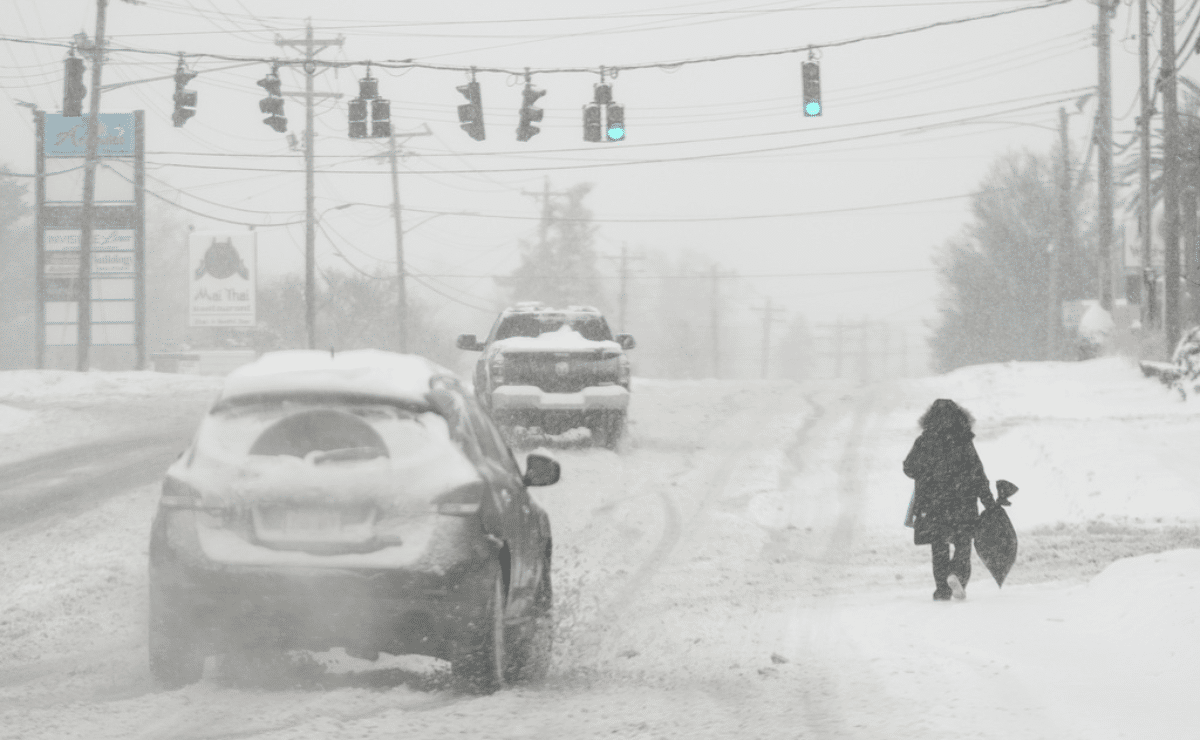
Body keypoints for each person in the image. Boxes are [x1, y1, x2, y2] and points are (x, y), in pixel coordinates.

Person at [902, 399, 995, 601]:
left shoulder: (924, 441)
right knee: (963, 544)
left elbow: (909, 467)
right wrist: (988, 501)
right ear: (959, 417)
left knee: (939, 547)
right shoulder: (963, 440)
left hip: (934, 503)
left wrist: (927, 473)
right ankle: (957, 575)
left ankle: (942, 589)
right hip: (963, 502)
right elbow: (977, 473)